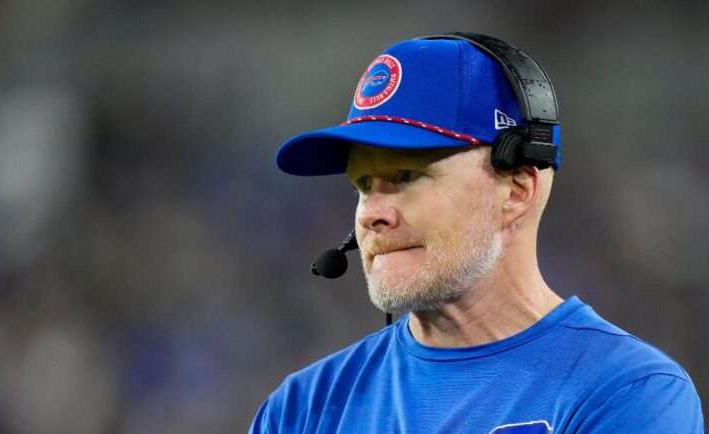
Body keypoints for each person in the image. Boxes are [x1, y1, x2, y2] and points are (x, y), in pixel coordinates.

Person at [250, 33, 704, 433]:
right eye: (363, 185)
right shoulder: (301, 409)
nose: (371, 213)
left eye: (407, 176)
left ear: (517, 189)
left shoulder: (628, 393)